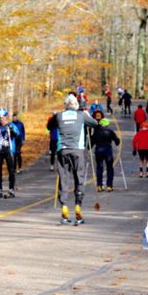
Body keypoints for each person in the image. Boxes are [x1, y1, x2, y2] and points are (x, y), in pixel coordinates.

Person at [47, 94, 98, 225]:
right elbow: (95, 124)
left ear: (65, 105)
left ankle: (64, 207)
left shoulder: (59, 116)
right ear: (76, 105)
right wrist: (87, 115)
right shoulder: (81, 115)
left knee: (63, 178)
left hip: (62, 150)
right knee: (79, 178)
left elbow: (49, 126)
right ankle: (78, 207)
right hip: (78, 151)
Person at [0, 108, 20, 198]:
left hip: (9, 150)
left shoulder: (11, 125)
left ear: (6, 117)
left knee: (11, 170)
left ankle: (11, 189)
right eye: (0, 118)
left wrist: (12, 130)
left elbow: (18, 134)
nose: (2, 120)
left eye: (3, 118)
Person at [90, 118, 120, 192]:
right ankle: (109, 185)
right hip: (108, 151)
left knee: (99, 168)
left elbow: (90, 143)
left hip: (98, 150)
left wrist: (88, 146)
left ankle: (99, 185)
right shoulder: (110, 131)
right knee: (109, 168)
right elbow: (117, 141)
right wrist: (117, 142)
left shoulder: (96, 132)